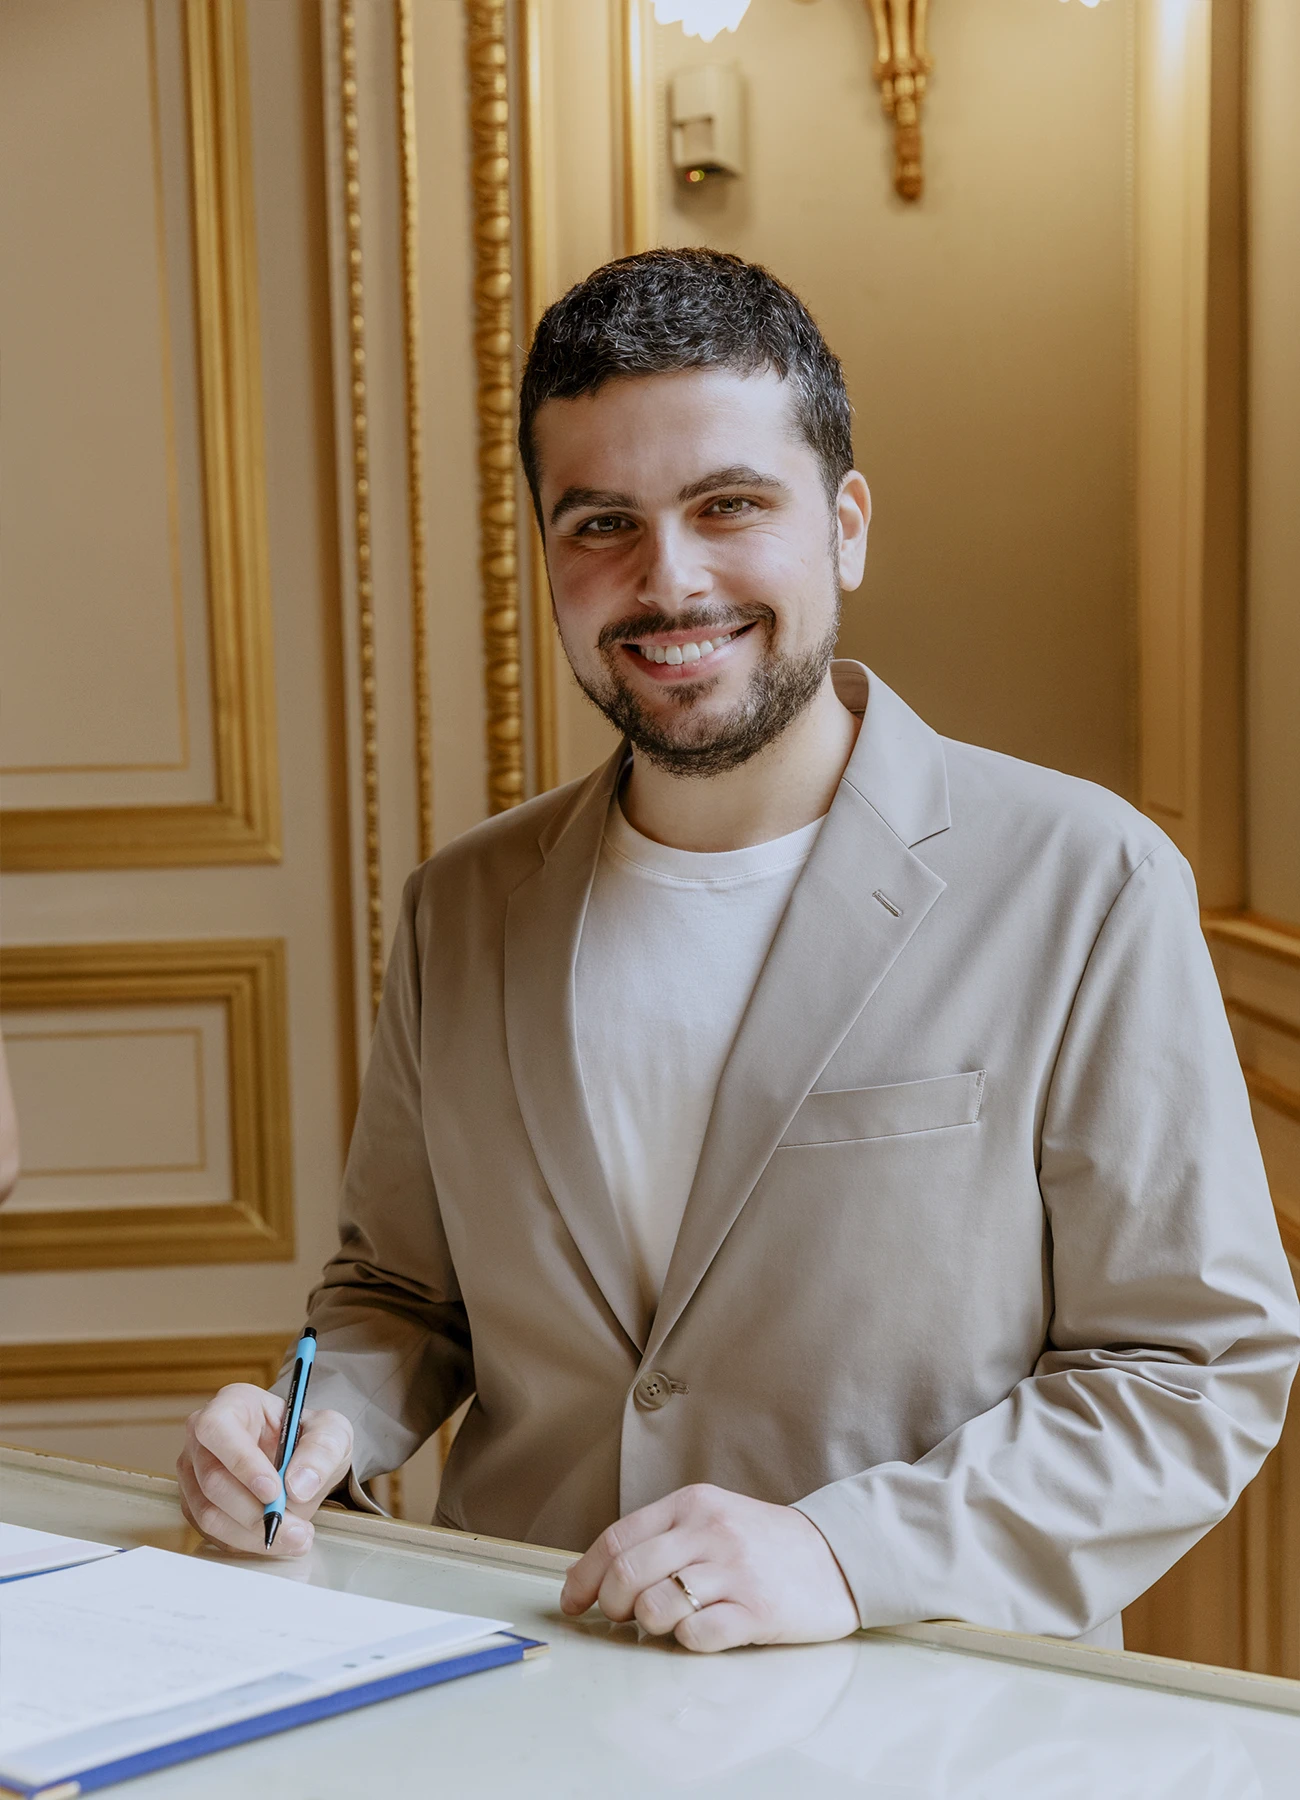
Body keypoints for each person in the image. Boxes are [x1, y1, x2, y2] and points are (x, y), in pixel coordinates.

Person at [179, 249, 1299, 1654]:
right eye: (601, 523)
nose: (670, 579)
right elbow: (399, 1297)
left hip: (927, 1716)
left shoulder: (1090, 878)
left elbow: (1193, 1367)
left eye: (729, 506)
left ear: (846, 526)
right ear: (546, 553)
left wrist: (843, 1555)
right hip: (520, 1699)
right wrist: (309, 1425)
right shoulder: (457, 907)